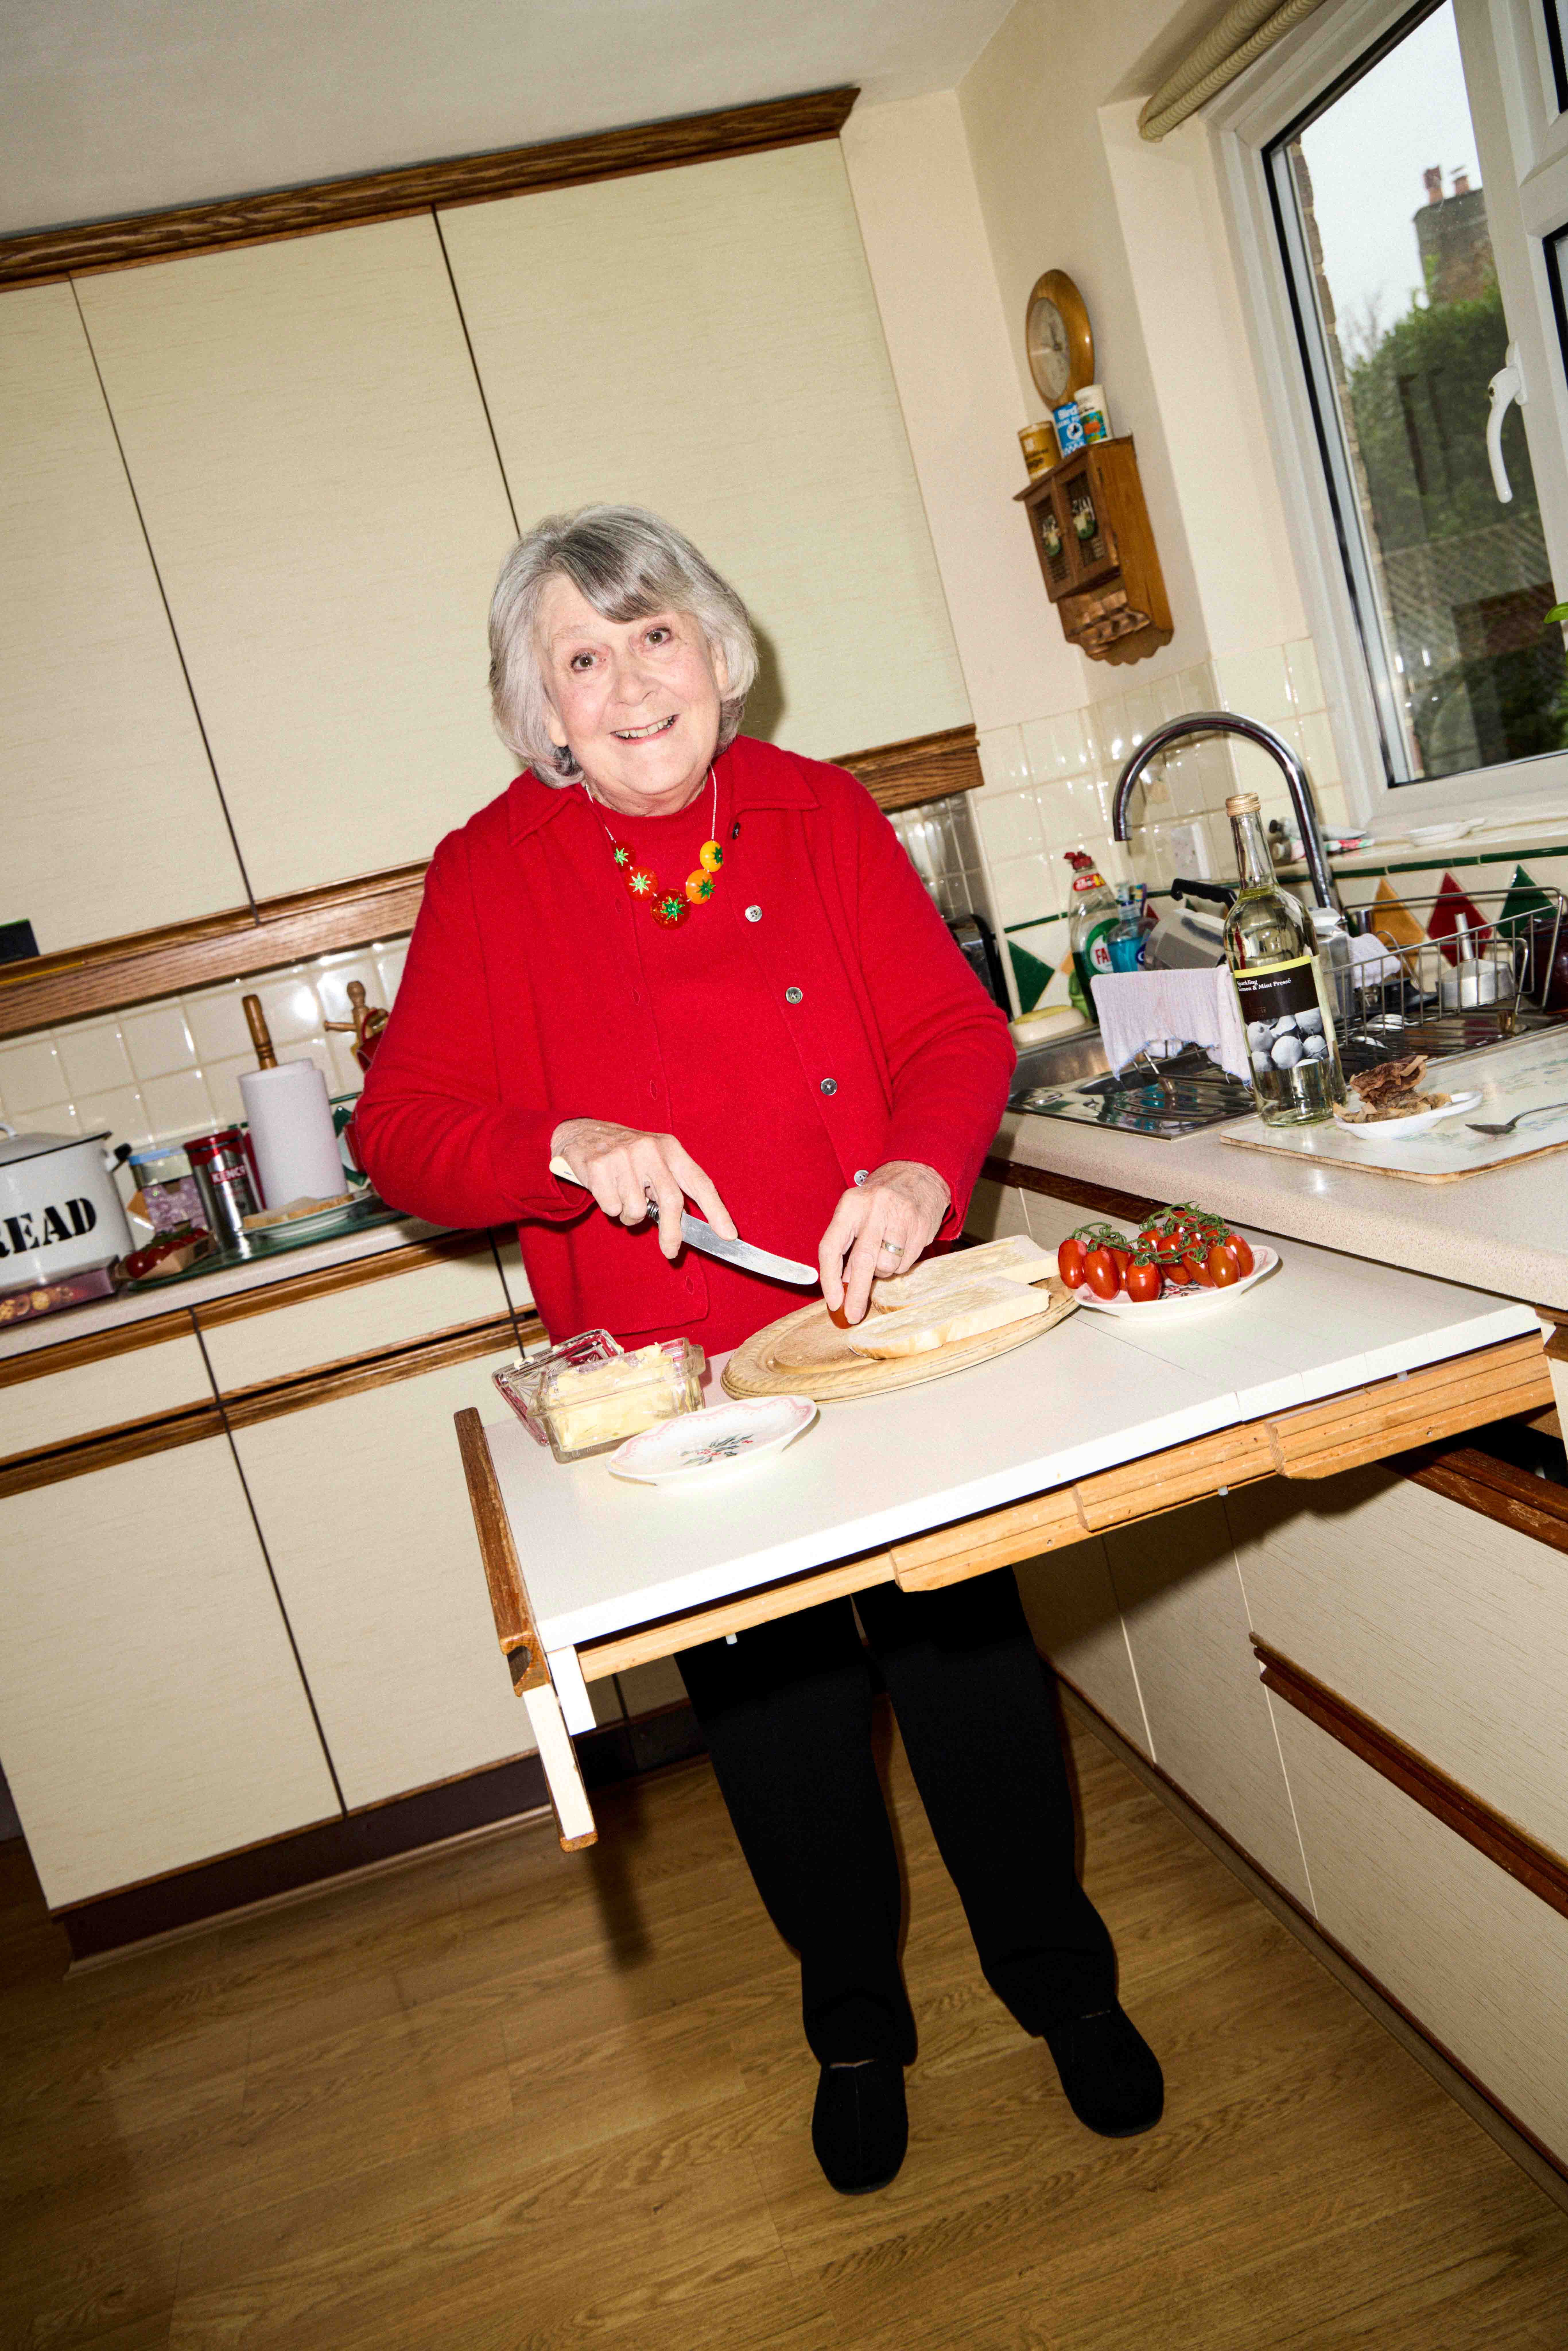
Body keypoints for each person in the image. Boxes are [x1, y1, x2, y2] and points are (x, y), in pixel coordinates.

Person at [354, 505, 1163, 2195]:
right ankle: (855, 2029)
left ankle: (1059, 1989)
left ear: (716, 651)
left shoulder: (816, 811)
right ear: (539, 706)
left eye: (655, 636)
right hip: (689, 1405)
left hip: (882, 1340)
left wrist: (913, 1165)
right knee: (782, 1736)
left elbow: (950, 1029)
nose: (630, 681)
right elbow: (403, 1135)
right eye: (583, 656)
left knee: (974, 1695)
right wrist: (560, 1147)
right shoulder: (490, 873)